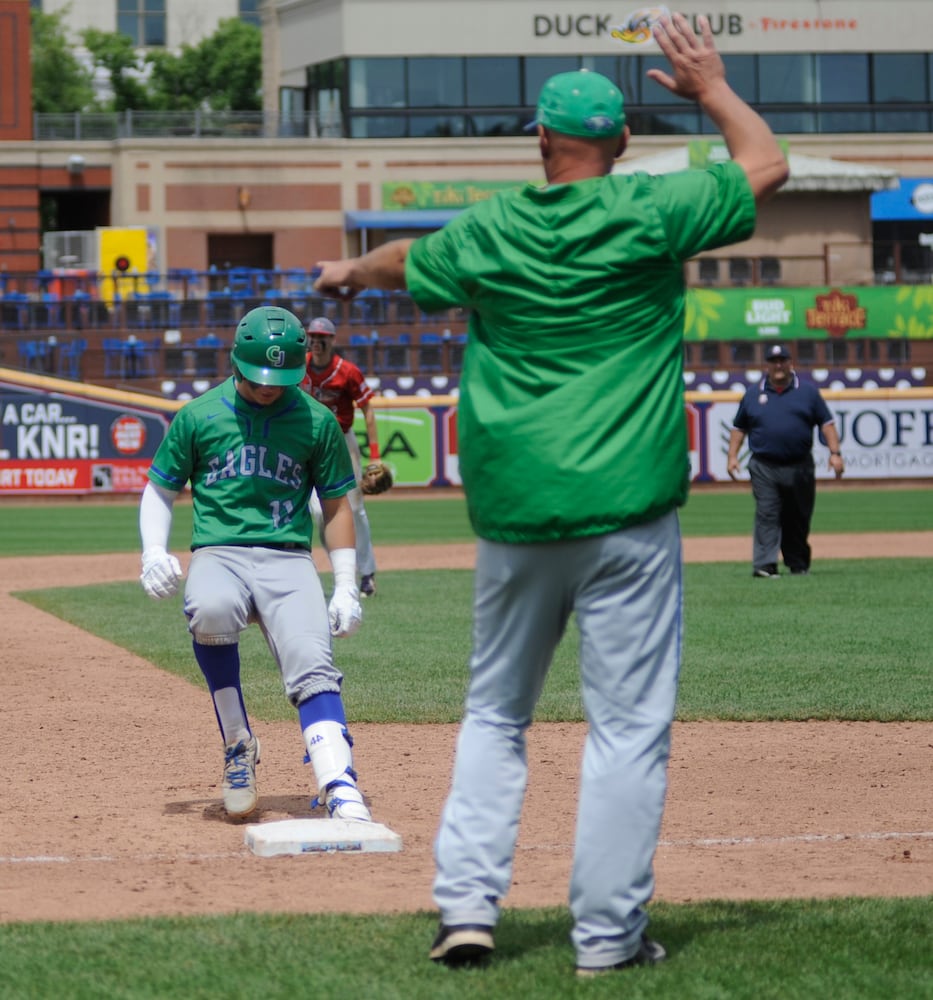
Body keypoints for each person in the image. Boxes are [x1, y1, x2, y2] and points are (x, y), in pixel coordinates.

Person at [313, 12, 788, 976]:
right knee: (625, 731)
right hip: (629, 511)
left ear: (539, 140)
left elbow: (403, 263)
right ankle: (607, 939)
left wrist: (347, 274)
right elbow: (766, 166)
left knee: (495, 714)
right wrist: (708, 88)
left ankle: (466, 913)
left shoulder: (491, 229)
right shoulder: (652, 211)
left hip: (517, 513)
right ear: (621, 144)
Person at [137, 305, 372, 824]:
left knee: (313, 663)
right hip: (218, 551)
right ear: (236, 361)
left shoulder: (316, 420)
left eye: (282, 377)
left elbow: (335, 505)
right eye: (261, 376)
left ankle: (338, 781)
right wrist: (154, 550)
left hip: (287, 555)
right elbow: (160, 488)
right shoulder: (199, 415)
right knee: (211, 608)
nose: (270, 387)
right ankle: (239, 746)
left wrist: (347, 585)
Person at [727, 342, 844, 577]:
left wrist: (835, 453)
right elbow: (739, 427)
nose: (778, 365)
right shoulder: (753, 393)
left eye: (782, 361)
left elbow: (827, 424)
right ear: (767, 365)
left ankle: (798, 563)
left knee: (798, 515)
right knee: (767, 512)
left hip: (799, 465)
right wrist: (732, 457)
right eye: (773, 361)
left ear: (791, 363)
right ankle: (764, 565)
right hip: (764, 465)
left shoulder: (807, 392)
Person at [300, 316, 381, 597]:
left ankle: (367, 572)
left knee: (355, 508)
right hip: (308, 441)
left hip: (343, 442)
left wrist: (376, 456)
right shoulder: (300, 368)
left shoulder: (347, 371)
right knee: (320, 512)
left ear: (333, 340)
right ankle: (341, 567)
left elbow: (368, 410)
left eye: (322, 336)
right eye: (312, 336)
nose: (316, 341)